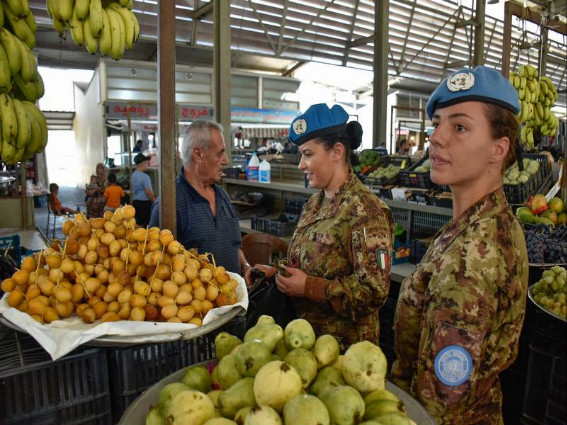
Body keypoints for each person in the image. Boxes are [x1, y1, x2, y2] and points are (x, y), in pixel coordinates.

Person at [390, 66, 528, 425]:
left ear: (499, 149)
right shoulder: (488, 222)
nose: (436, 137)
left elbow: (439, 404)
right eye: (437, 123)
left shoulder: (470, 260)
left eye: (460, 127)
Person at [254, 103, 395, 349]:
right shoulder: (314, 203)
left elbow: (374, 293)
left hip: (345, 353)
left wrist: (309, 287)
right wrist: (277, 273)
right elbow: (308, 261)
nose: (301, 164)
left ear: (337, 151)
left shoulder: (365, 212)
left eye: (308, 154)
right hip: (305, 343)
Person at [149, 120, 252, 280]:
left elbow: (235, 244)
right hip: (197, 304)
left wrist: (245, 266)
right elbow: (158, 268)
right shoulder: (169, 205)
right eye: (219, 154)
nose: (226, 160)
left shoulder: (222, 196)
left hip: (234, 299)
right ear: (198, 154)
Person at [131, 153, 155, 227]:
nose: (148, 164)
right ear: (143, 163)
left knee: (138, 223)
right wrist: (154, 202)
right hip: (144, 204)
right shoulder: (145, 177)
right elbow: (148, 192)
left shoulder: (133, 174)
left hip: (135, 202)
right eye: (147, 162)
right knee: (146, 226)